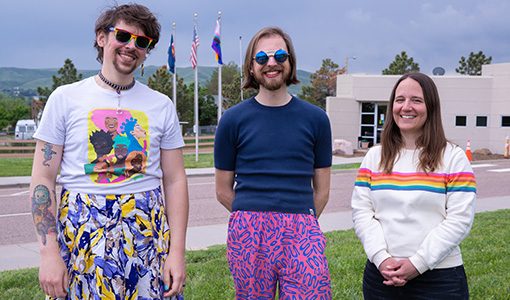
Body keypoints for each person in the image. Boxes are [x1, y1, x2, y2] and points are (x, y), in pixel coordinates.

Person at [29, 4, 188, 299]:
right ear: (102, 37)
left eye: (142, 42)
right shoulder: (65, 99)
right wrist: (48, 253)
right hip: (82, 234)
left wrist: (176, 251)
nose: (131, 46)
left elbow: (175, 179)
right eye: (124, 35)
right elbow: (43, 178)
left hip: (146, 234)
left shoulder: (161, 104)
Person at [214, 26, 333, 299]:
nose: (272, 63)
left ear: (290, 63)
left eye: (280, 55)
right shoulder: (232, 120)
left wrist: (294, 218)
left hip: (303, 227)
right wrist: (255, 215)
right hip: (248, 232)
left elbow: (323, 191)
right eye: (262, 58)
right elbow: (222, 190)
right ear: (251, 67)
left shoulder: (316, 119)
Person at [351, 72, 476, 299]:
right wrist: (381, 258)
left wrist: (418, 263)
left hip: (439, 279)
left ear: (431, 107)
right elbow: (361, 212)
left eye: (416, 100)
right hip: (381, 277)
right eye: (400, 100)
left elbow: (460, 219)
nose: (406, 107)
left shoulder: (453, 158)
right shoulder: (373, 157)